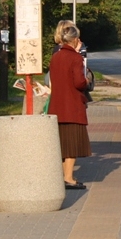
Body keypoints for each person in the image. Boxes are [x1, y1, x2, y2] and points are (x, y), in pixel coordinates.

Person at [46, 21, 91, 190]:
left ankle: (62, 177)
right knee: (72, 144)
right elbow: (79, 83)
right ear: (74, 39)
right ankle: (68, 177)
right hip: (72, 106)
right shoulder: (75, 58)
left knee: (62, 143)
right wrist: (86, 79)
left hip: (57, 106)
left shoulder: (55, 56)